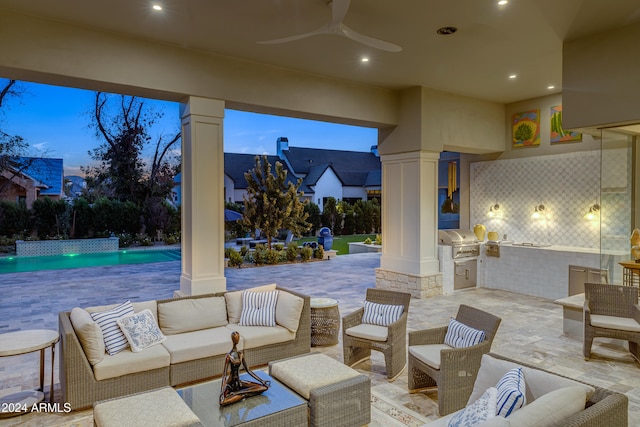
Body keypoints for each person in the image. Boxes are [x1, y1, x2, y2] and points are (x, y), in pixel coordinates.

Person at [219, 331, 270, 406]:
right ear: (232, 339)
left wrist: (262, 380)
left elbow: (248, 370)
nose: (237, 340)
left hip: (239, 382)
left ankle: (239, 394)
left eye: (238, 338)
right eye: (235, 338)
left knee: (263, 387)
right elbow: (224, 376)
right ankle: (244, 394)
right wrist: (222, 392)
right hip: (230, 384)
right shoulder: (228, 356)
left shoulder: (240, 354)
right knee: (222, 401)